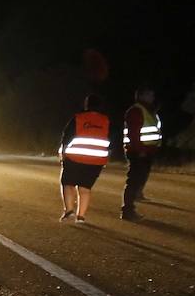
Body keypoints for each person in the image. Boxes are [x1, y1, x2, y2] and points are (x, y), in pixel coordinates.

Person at [58, 94, 111, 223]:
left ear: (87, 104)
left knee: (68, 183)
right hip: (96, 160)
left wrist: (63, 152)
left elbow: (67, 135)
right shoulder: (106, 120)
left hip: (75, 157)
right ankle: (81, 216)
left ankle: (69, 211)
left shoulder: (79, 118)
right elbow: (111, 139)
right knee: (85, 188)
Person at [121, 87, 163, 220]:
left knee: (139, 179)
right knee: (133, 180)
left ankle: (132, 205)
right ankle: (127, 210)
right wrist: (140, 151)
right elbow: (134, 134)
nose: (152, 98)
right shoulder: (136, 111)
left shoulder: (150, 111)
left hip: (147, 151)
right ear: (142, 96)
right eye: (150, 95)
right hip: (138, 152)